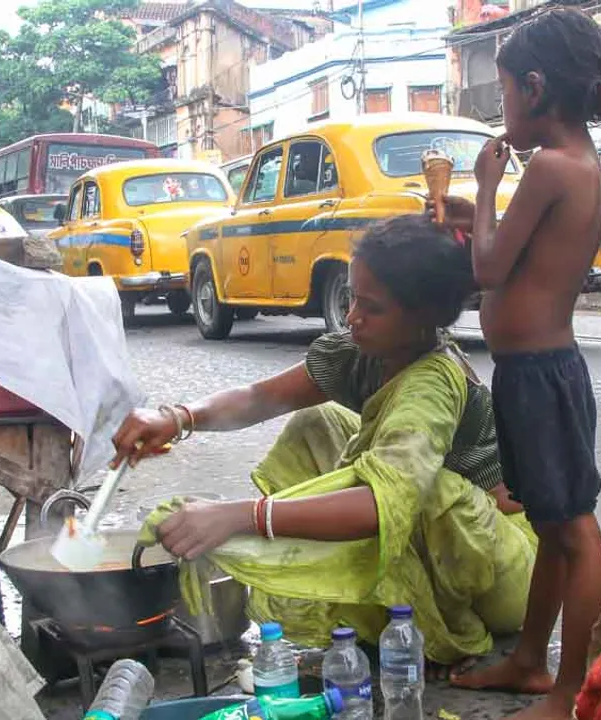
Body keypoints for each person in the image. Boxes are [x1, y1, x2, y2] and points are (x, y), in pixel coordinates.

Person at [113, 214, 536, 667]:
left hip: (501, 572)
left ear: (423, 318)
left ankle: (420, 623)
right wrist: (176, 418)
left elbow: (383, 505)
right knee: (318, 423)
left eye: (371, 307)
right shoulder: (366, 352)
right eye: (353, 298)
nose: (353, 317)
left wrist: (242, 517)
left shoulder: (431, 383)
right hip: (455, 544)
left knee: (421, 489)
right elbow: (260, 397)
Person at [428, 8, 601, 719]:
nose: (501, 106)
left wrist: (483, 187)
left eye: (505, 90)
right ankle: (528, 662)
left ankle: (573, 688)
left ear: (536, 89)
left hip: (542, 375)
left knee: (572, 527)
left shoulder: (545, 166)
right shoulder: (579, 165)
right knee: (549, 522)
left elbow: (488, 266)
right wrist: (468, 208)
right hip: (535, 372)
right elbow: (513, 251)